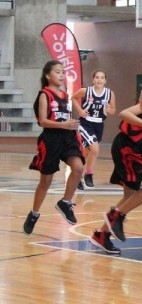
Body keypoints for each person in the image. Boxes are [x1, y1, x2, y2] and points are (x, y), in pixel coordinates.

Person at [88, 65, 142, 256]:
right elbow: (123, 114)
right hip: (126, 146)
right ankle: (115, 216)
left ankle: (101, 235)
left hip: (134, 148)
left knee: (130, 196)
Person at [23, 60, 86, 235]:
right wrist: (64, 124)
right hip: (51, 139)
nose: (61, 75)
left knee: (78, 168)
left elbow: (71, 117)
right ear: (47, 75)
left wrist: (75, 123)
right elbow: (42, 121)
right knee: (46, 182)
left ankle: (65, 202)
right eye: (57, 72)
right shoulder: (44, 95)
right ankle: (34, 213)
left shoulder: (66, 95)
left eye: (62, 72)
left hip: (68, 137)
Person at [71, 69, 116, 190]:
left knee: (86, 153)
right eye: (97, 77)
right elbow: (73, 98)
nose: (99, 80)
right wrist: (80, 111)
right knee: (95, 149)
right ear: (93, 80)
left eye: (102, 78)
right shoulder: (86, 91)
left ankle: (77, 176)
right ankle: (89, 174)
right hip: (86, 123)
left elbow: (113, 111)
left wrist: (108, 108)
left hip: (99, 125)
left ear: (105, 81)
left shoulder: (109, 93)